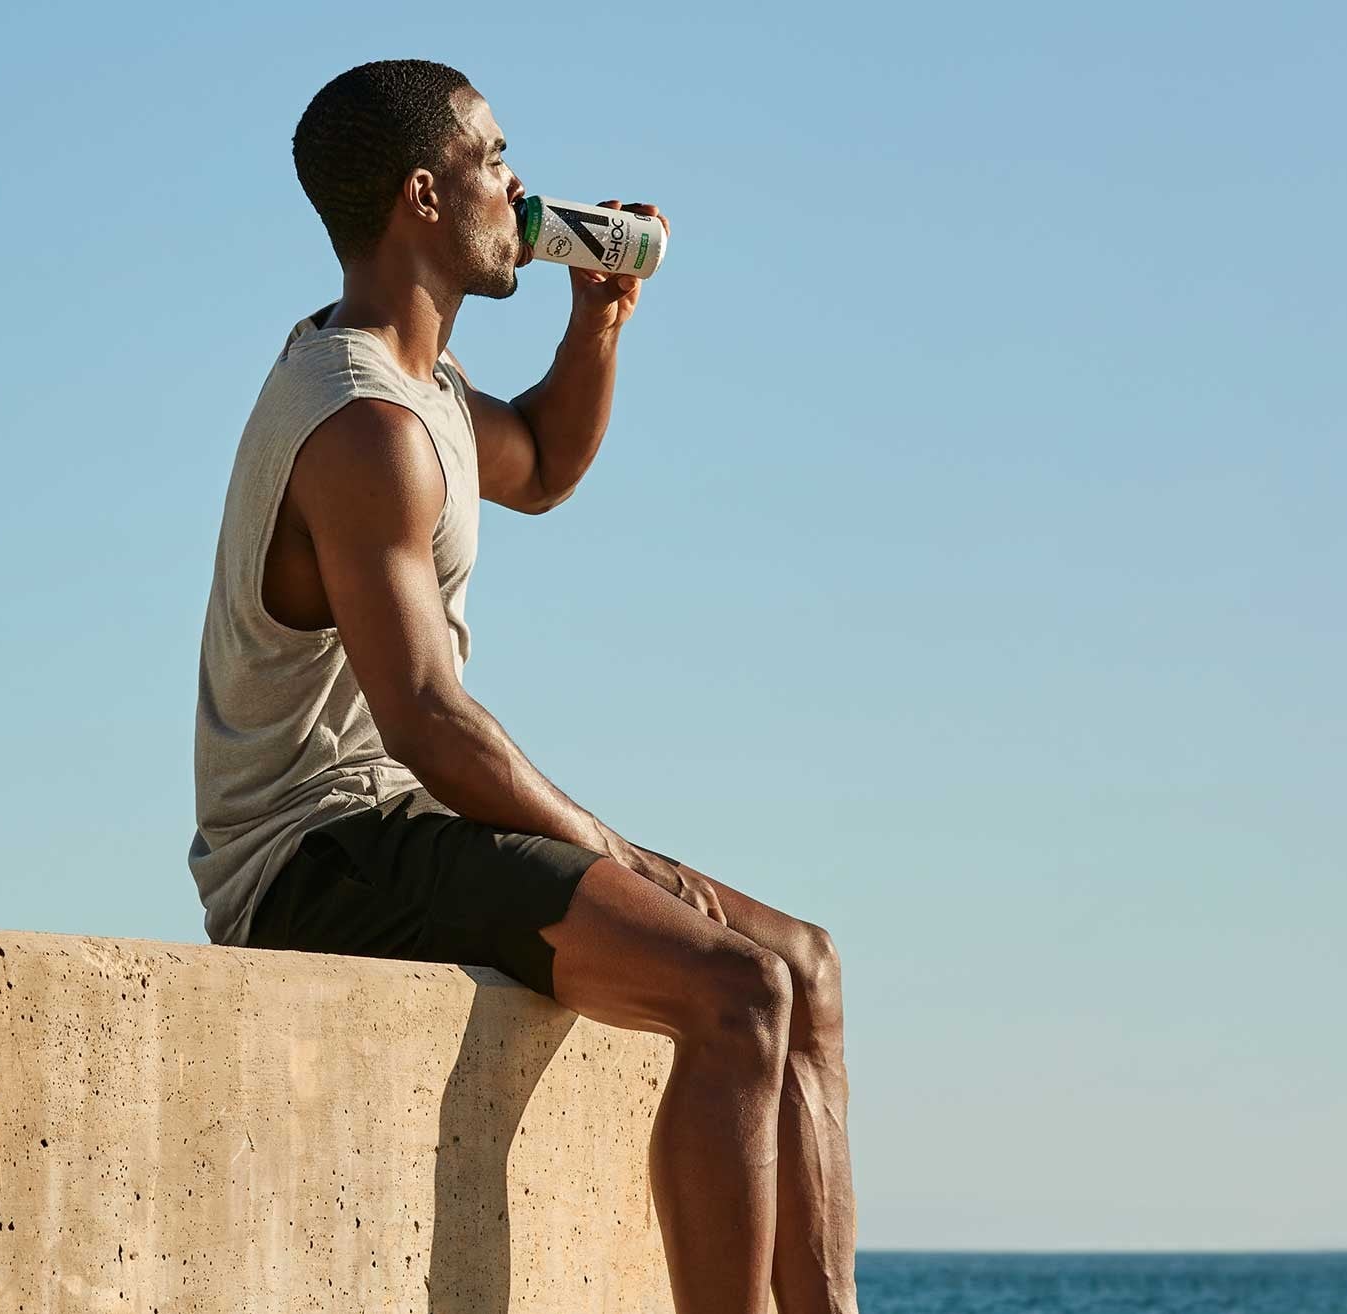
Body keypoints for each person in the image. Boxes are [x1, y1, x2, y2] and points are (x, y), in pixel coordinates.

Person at [186, 59, 854, 1313]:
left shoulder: (422, 389)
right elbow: (427, 723)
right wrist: (609, 847)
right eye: (495, 160)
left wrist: (596, 321)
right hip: (318, 854)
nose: (519, 187)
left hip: (409, 826)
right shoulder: (358, 426)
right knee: (732, 990)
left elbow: (540, 460)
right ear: (425, 196)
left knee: (802, 968)